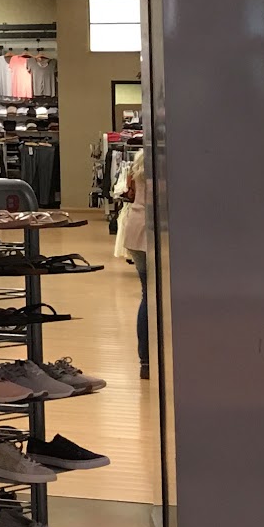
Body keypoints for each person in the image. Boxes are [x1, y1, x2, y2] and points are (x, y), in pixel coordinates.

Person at [116, 148, 151, 378]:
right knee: (157, 296)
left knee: (147, 295)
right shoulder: (164, 161)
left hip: (136, 228)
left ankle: (145, 362)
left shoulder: (141, 160)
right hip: (152, 232)